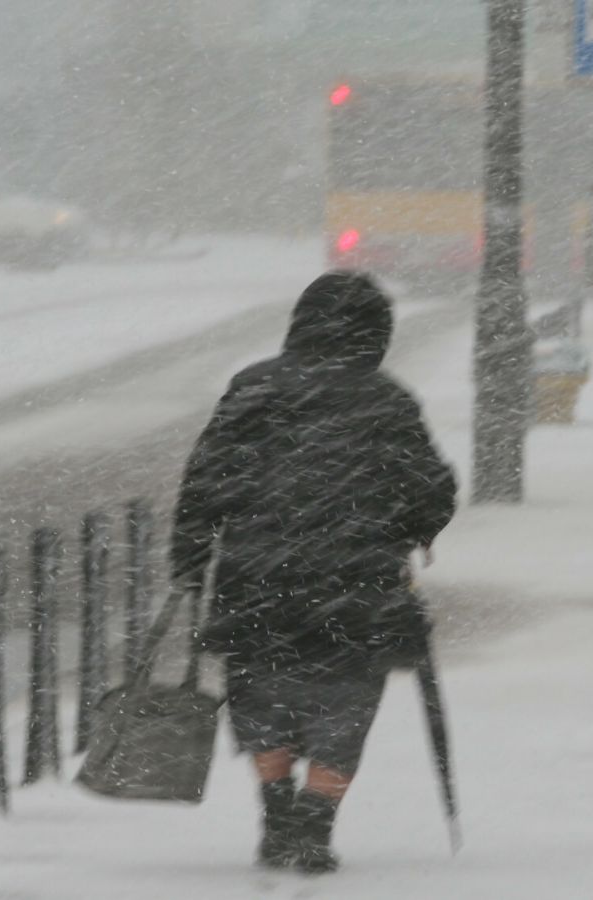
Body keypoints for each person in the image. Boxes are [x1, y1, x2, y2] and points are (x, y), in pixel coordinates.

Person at [170, 271, 457, 874]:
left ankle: (277, 812)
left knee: (262, 695)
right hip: (356, 580)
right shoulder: (387, 400)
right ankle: (315, 824)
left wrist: (191, 556)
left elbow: (205, 480)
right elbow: (432, 487)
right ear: (375, 333)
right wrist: (411, 529)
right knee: (345, 702)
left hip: (257, 576)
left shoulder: (252, 388)